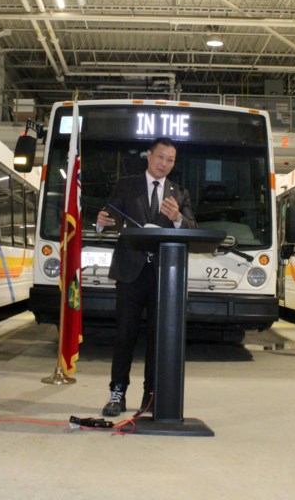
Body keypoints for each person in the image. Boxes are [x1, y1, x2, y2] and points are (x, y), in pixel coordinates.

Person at [95, 137, 196, 417]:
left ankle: (151, 395)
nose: (164, 164)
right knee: (125, 334)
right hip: (130, 273)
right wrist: (101, 222)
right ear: (149, 156)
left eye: (170, 160)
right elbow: (109, 216)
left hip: (165, 277)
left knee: (158, 336)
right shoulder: (127, 184)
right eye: (160, 157)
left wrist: (177, 218)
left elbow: (192, 225)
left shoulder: (179, 192)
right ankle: (117, 392)